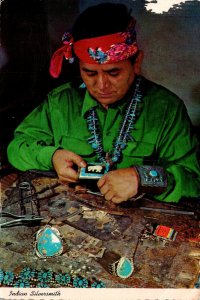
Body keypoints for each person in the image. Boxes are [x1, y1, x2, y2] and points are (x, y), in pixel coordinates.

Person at [7, 3, 200, 204]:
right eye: (89, 73)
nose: (101, 85)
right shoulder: (60, 101)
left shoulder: (167, 108)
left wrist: (143, 178)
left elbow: (194, 180)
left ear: (137, 63)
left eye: (113, 73)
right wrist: (51, 156)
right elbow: (17, 148)